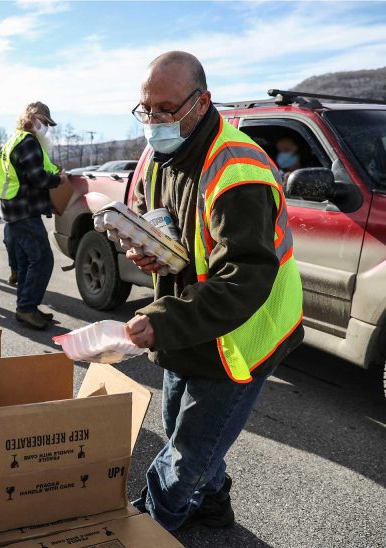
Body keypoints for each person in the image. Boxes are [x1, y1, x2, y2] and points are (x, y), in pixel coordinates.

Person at [124, 51, 304, 532]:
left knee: (187, 450)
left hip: (244, 332)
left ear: (201, 103)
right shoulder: (167, 156)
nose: (154, 120)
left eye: (166, 108)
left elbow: (243, 279)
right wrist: (152, 252)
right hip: (194, 322)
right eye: (146, 109)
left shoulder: (238, 171)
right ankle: (213, 504)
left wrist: (161, 322)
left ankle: (152, 529)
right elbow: (182, 238)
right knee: (184, 427)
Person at [0, 102, 66, 329]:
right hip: (24, 211)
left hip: (14, 210)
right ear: (33, 117)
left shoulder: (14, 140)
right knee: (43, 260)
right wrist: (59, 180)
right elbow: (38, 177)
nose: (46, 127)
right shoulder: (27, 142)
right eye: (44, 121)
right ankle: (26, 308)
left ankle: (25, 307)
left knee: (26, 261)